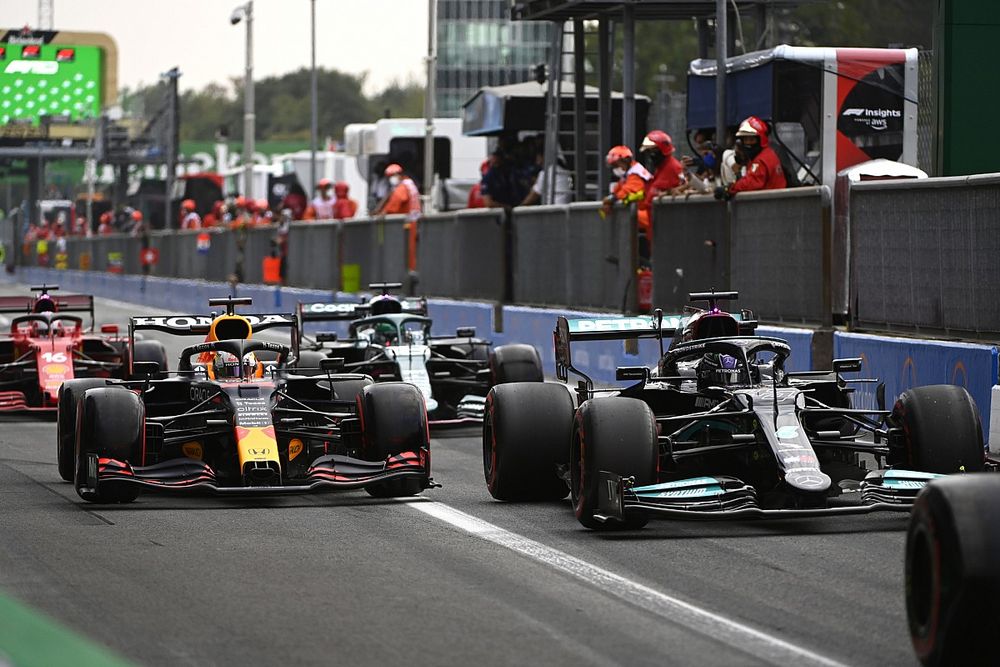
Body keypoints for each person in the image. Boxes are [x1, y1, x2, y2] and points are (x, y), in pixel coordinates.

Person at [602, 145, 653, 259]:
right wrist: (610, 199)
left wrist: (612, 199)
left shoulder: (635, 174)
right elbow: (619, 190)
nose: (615, 168)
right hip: (643, 216)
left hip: (647, 215)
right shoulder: (628, 174)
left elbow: (629, 190)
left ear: (625, 161)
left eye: (616, 165)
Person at [718, 116, 787, 197]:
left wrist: (729, 189)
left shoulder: (762, 159)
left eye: (751, 140)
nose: (748, 143)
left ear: (760, 140)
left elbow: (751, 183)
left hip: (769, 204)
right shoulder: (767, 154)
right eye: (745, 140)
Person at [373, 164, 422, 272]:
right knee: (412, 252)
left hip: (407, 225)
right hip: (414, 222)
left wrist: (383, 213)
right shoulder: (410, 184)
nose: (391, 179)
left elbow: (394, 205)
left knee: (406, 252)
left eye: (392, 175)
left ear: (399, 174)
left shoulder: (402, 188)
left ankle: (407, 276)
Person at [640, 130, 686, 203]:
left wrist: (669, 192)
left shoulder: (674, 168)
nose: (650, 156)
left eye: (652, 151)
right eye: (648, 152)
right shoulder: (660, 168)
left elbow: (683, 187)